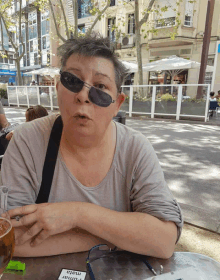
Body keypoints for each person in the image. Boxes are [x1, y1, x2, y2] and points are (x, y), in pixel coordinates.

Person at [2, 36, 183, 258]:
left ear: (117, 104)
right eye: (72, 80)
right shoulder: (27, 142)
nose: (82, 96)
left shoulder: (135, 149)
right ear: (58, 88)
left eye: (100, 86)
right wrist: (113, 237)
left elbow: (164, 241)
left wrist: (78, 214)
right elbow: (10, 238)